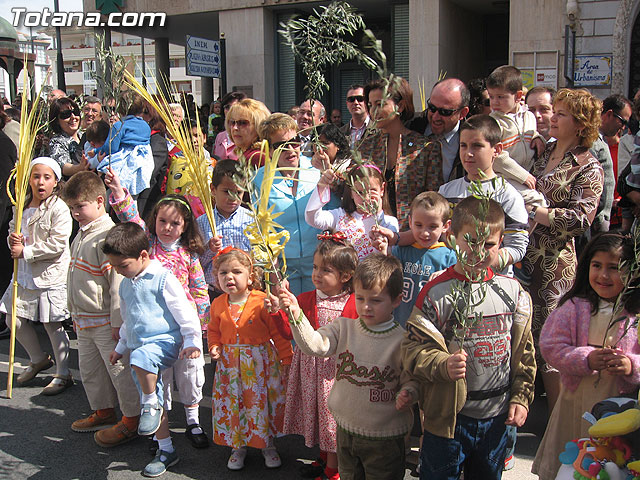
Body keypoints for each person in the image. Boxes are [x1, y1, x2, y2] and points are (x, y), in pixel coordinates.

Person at [402, 196, 536, 480]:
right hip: (448, 421)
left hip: (497, 418)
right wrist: (441, 364)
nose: (478, 251)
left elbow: (525, 354)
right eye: (470, 241)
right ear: (452, 238)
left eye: (488, 244)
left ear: (501, 243)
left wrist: (521, 397)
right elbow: (412, 351)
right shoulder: (437, 291)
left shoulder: (513, 293)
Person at [276, 253, 417, 479]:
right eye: (360, 298)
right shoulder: (344, 328)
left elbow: (411, 379)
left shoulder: (403, 341)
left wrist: (409, 392)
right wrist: (295, 314)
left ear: (397, 300)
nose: (366, 307)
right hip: (345, 432)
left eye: (376, 300)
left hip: (385, 439)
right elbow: (315, 346)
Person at [105, 169, 210, 449]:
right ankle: (158, 426)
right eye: (162, 221)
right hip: (155, 326)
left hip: (183, 324)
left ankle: (192, 419)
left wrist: (199, 328)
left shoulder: (188, 255)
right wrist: (117, 190)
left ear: (185, 226)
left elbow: (199, 291)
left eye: (174, 223)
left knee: (189, 375)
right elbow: (131, 219)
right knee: (158, 377)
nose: (167, 227)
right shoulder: (147, 246)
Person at [531, 233, 640, 480]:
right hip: (573, 403)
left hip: (619, 411)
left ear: (632, 272)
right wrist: (584, 359)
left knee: (611, 468)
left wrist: (631, 365)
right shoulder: (574, 307)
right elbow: (550, 346)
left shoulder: (635, 315)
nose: (603, 275)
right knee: (569, 464)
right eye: (596, 266)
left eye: (614, 268)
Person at [522, 88, 604, 412]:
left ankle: (558, 422)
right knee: (525, 336)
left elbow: (581, 218)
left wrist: (535, 212)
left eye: (561, 114)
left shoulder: (588, 165)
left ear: (581, 124)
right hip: (525, 255)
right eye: (553, 111)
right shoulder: (544, 152)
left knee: (551, 343)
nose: (551, 118)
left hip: (554, 264)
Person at [104, 222, 202, 477]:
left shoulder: (163, 278)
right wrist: (120, 346)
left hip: (165, 342)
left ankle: (149, 404)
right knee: (154, 398)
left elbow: (184, 310)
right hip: (141, 352)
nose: (119, 272)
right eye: (114, 267)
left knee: (141, 364)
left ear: (143, 256)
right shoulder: (126, 284)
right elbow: (129, 321)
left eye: (123, 266)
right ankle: (166, 449)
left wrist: (192, 340)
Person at [61, 171, 141, 446]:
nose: (75, 213)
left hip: (105, 321)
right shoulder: (82, 233)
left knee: (119, 372)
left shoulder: (108, 236)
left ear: (99, 201)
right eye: (71, 208)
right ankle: (104, 410)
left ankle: (132, 419)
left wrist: (117, 321)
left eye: (80, 206)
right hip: (82, 318)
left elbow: (117, 285)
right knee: (91, 370)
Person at [269, 236, 359, 480]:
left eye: (326, 270)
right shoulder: (308, 298)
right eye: (315, 267)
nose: (317, 274)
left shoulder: (353, 302)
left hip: (336, 373)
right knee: (319, 415)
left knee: (332, 421)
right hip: (310, 370)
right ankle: (323, 458)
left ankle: (333, 471)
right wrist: (280, 309)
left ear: (346, 276)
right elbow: (290, 332)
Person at [208, 248, 293, 470]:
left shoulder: (262, 300)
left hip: (260, 366)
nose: (229, 277)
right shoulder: (218, 304)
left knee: (262, 403)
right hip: (231, 369)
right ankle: (238, 446)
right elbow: (213, 330)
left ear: (250, 276)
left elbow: (277, 332)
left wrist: (287, 359)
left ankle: (268, 444)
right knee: (236, 404)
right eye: (223, 273)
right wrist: (214, 346)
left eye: (236, 271)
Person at [0, 157, 73, 395]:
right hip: (22, 272)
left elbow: (58, 244)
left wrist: (27, 251)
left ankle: (63, 373)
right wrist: (13, 239)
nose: (40, 182)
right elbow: (13, 229)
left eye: (47, 177)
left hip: (47, 273)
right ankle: (38, 358)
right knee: (13, 319)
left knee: (51, 322)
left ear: (55, 182)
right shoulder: (19, 205)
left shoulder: (58, 208)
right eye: (36, 176)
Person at [438, 115, 529, 273]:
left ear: (497, 150)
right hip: (452, 283)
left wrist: (478, 263)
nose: (468, 153)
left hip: (491, 285)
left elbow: (517, 247)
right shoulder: (446, 191)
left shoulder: (508, 195)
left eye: (477, 146)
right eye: (463, 146)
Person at [358, 76, 444, 229]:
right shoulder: (367, 145)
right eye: (370, 105)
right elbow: (351, 185)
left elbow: (433, 199)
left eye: (380, 104)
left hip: (412, 234)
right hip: (372, 233)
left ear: (401, 106)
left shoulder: (426, 148)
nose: (373, 111)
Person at [255, 113, 321, 295]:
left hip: (318, 260)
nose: (291, 150)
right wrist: (274, 272)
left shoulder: (317, 170)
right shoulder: (260, 179)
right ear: (269, 149)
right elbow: (262, 228)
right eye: (282, 146)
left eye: (295, 142)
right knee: (289, 318)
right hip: (282, 264)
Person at [371, 191, 456, 327]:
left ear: (445, 226)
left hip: (432, 328)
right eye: (419, 225)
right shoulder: (401, 251)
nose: (425, 233)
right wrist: (383, 251)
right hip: (400, 324)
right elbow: (385, 278)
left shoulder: (449, 257)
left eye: (432, 226)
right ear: (410, 222)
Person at [305, 164, 399, 259]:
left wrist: (378, 214)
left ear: (382, 189)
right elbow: (312, 218)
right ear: (351, 193)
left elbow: (389, 252)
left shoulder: (389, 222)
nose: (366, 198)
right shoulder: (339, 216)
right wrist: (322, 185)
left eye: (372, 191)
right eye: (360, 192)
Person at [486, 65, 547, 209]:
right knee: (537, 202)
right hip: (506, 177)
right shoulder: (492, 123)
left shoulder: (529, 117)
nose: (495, 102)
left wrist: (538, 138)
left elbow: (531, 134)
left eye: (501, 97)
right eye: (491, 96)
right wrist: (523, 176)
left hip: (530, 174)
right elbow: (497, 157)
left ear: (518, 96)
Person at [196, 159, 253, 297]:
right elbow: (196, 265)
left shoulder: (251, 220)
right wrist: (209, 249)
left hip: (245, 293)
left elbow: (258, 258)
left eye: (238, 193)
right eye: (227, 191)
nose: (232, 198)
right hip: (214, 292)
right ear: (213, 189)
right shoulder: (202, 223)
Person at [409, 78, 470, 183]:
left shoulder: (472, 138)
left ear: (463, 113)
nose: (436, 117)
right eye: (432, 108)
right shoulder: (410, 127)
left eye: (445, 112)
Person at [93, 95, 155, 197]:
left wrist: (96, 151)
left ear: (120, 109)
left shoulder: (119, 125)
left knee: (116, 192)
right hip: (143, 161)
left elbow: (111, 148)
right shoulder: (146, 125)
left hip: (125, 161)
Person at [48, 97, 87, 178]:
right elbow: (62, 166)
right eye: (66, 114)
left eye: (75, 112)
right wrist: (79, 168)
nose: (73, 117)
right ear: (56, 121)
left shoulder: (86, 135)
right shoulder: (56, 142)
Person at [225, 98, 271, 167]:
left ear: (258, 126)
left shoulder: (257, 157)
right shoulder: (248, 154)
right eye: (232, 122)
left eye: (243, 123)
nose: (235, 128)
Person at [214, 91, 247, 161]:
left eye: (234, 107)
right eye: (227, 107)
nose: (230, 111)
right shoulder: (220, 137)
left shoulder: (247, 135)